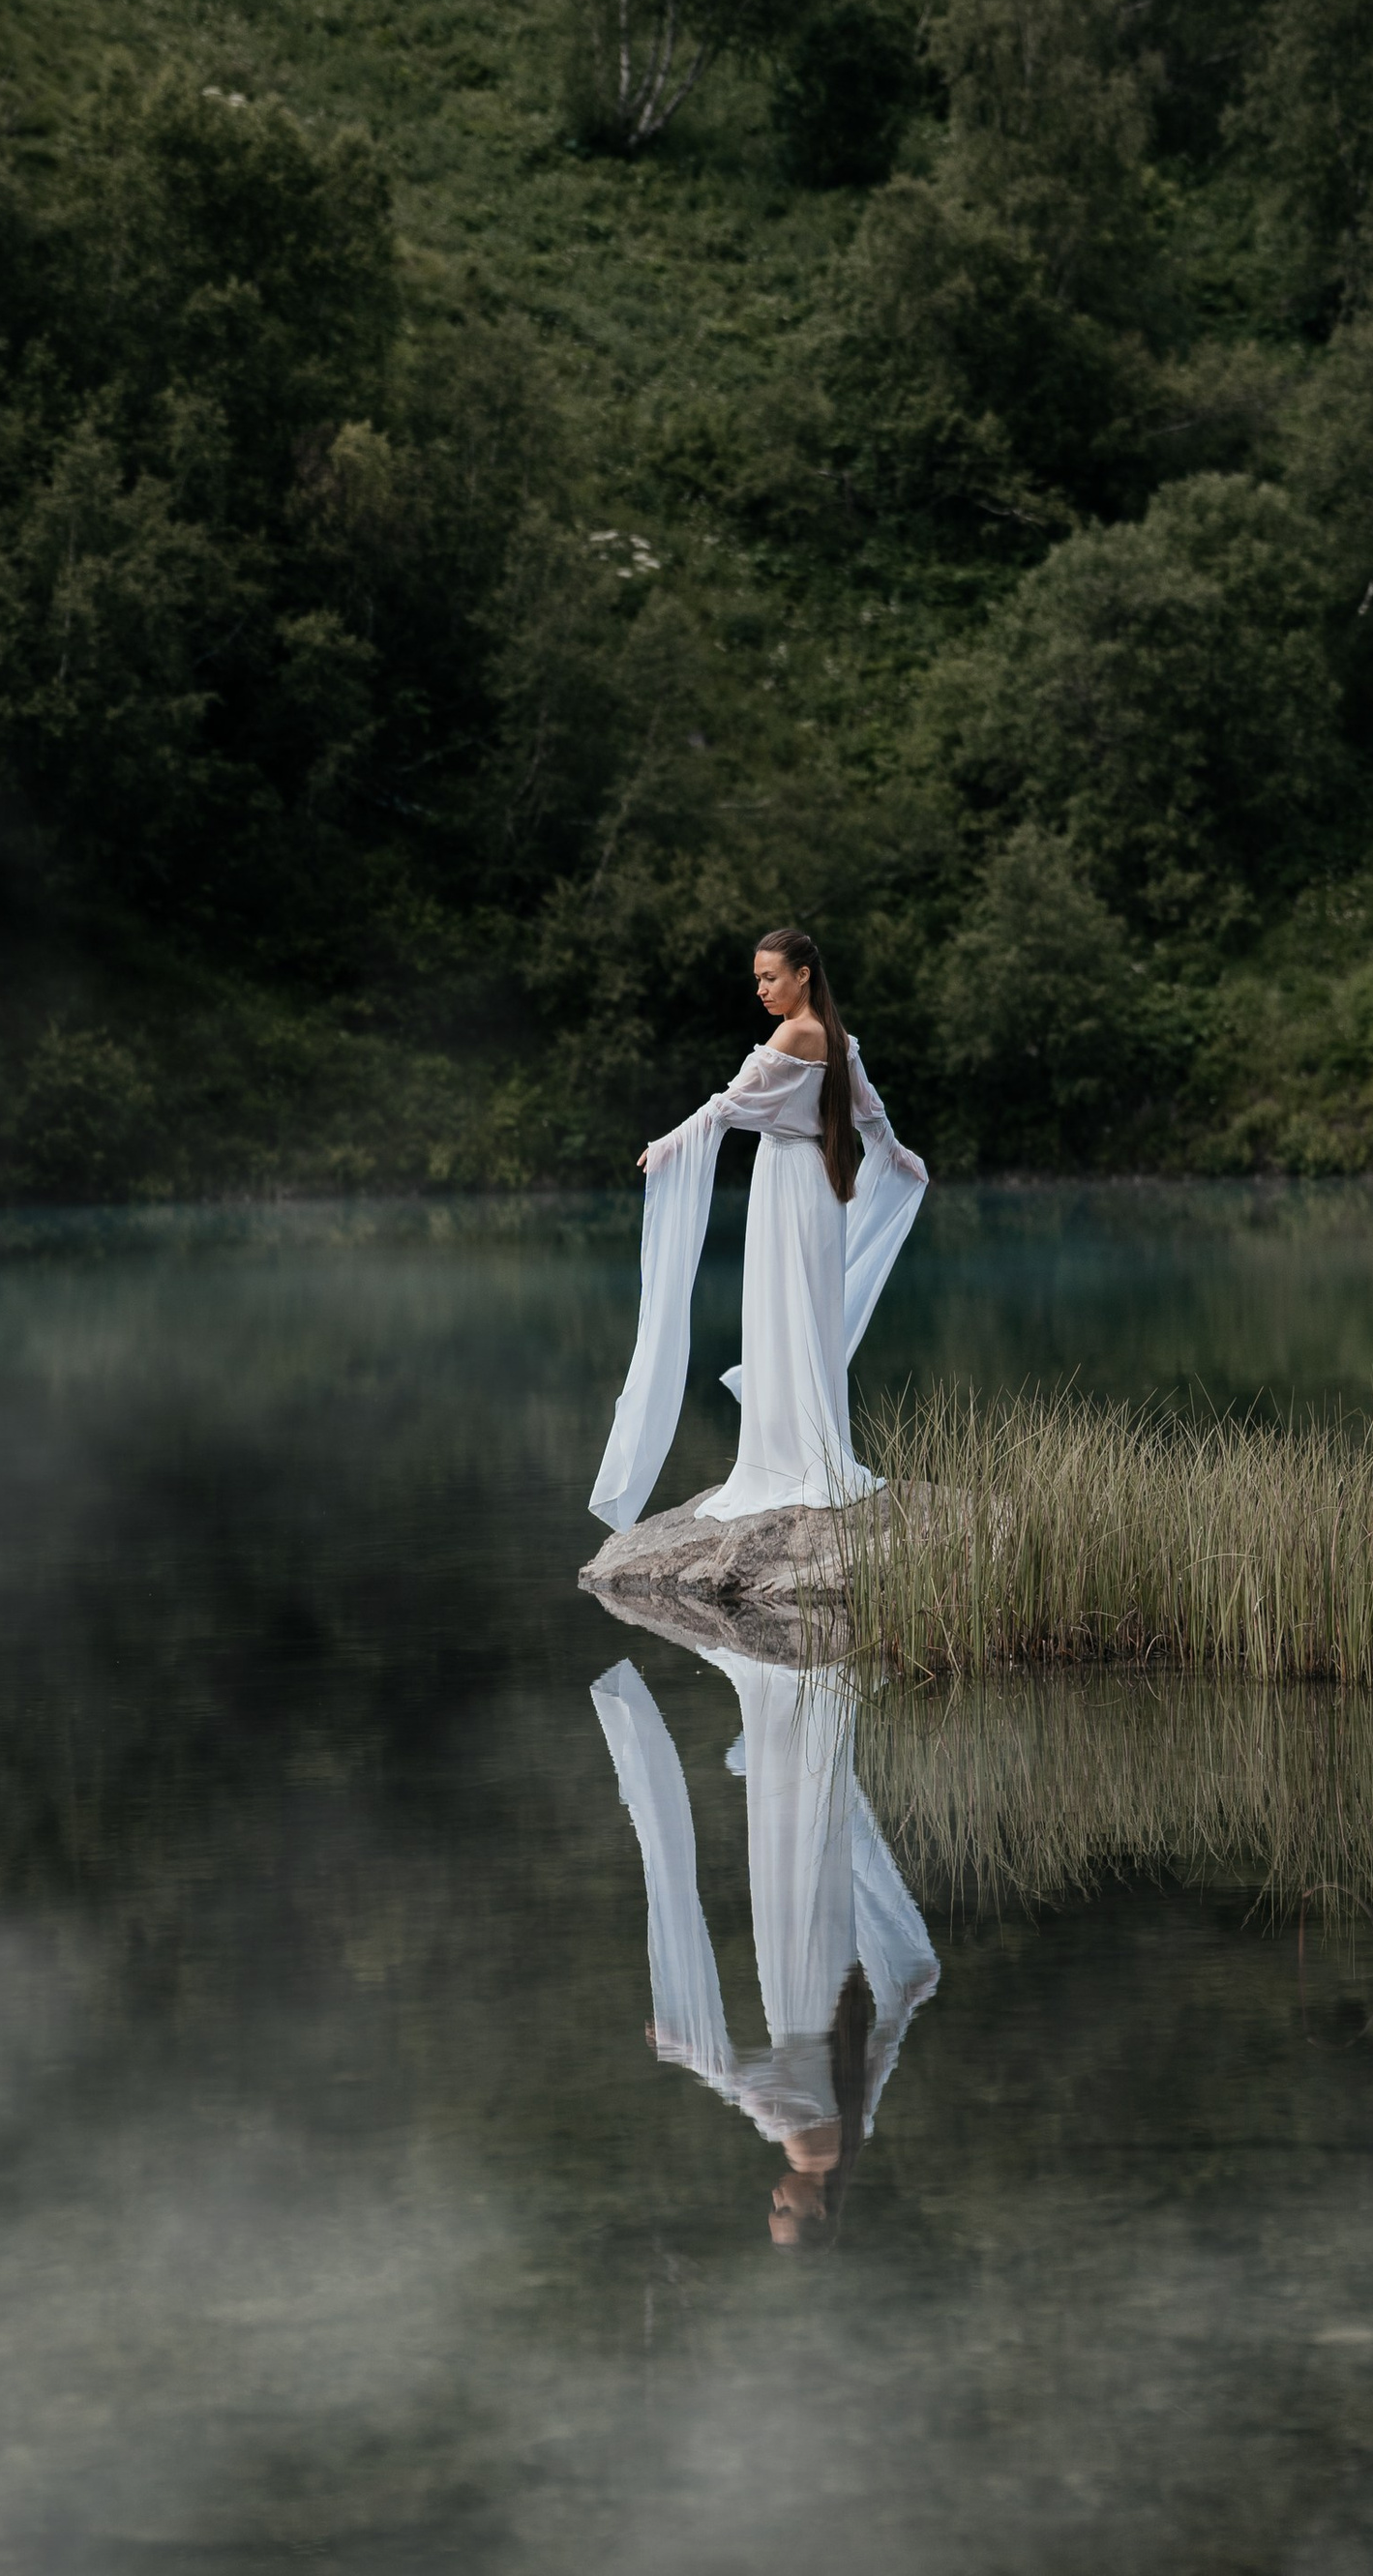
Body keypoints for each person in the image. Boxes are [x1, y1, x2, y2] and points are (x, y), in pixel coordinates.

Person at [591, 1643, 939, 2248]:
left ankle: (807, 1725)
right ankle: (783, 1725)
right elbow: (739, 2080)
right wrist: (683, 2049)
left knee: (816, 1852)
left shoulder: (857, 2126)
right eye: (784, 2210)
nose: (774, 2196)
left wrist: (908, 1993)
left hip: (838, 1975)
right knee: (784, 1862)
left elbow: (882, 2044)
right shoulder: (801, 2136)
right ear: (818, 2211)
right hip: (795, 1988)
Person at [588, 928, 927, 1533]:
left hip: (789, 1181)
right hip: (819, 1185)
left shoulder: (795, 1034)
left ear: (803, 975)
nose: (761, 989)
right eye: (757, 980)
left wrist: (668, 1144)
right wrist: (899, 1157)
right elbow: (870, 1115)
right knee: (807, 1313)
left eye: (770, 977)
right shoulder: (837, 1037)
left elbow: (728, 1104)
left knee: (782, 1310)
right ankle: (812, 1452)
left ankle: (790, 1460)